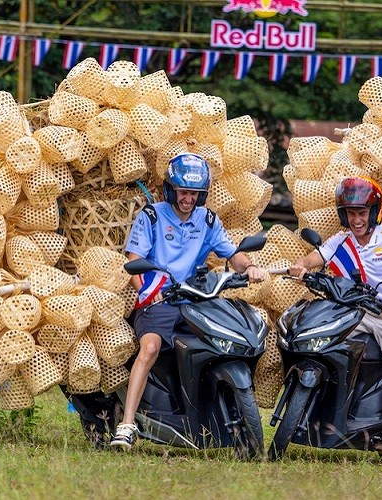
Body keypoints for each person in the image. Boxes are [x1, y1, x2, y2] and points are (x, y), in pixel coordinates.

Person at [110, 152, 267, 450]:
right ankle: (127, 425)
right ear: (171, 189)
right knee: (150, 347)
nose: (188, 199)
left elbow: (231, 253)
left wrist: (249, 268)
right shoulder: (152, 216)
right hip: (159, 299)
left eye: (194, 193)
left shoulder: (207, 219)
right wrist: (148, 290)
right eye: (183, 192)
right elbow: (134, 261)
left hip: (196, 299)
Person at [288, 177, 382, 467]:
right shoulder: (341, 242)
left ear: (374, 212)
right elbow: (312, 259)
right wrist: (300, 267)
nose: (356, 220)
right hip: (352, 313)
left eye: (362, 213)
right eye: (351, 214)